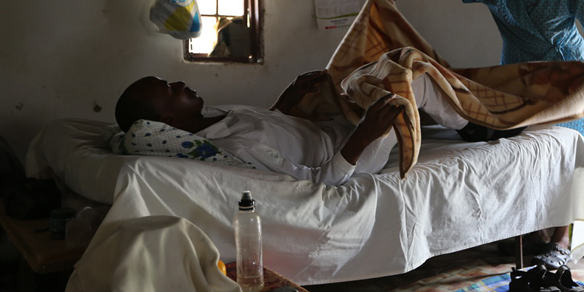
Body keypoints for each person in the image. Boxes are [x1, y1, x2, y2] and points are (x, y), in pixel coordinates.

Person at [374, 0, 584, 269]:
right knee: (527, 155)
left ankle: (561, 238)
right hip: (519, 75)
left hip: (565, 75)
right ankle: (532, 229)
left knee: (567, 155)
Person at [114, 71, 472, 186]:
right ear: (169, 122)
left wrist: (286, 100)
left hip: (332, 128)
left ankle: (462, 111)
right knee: (414, 81)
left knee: (375, 71)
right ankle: (472, 126)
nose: (179, 83)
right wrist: (365, 135)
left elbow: (268, 128)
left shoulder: (214, 115)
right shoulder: (236, 149)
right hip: (352, 153)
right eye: (170, 90)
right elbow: (318, 182)